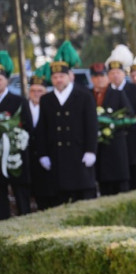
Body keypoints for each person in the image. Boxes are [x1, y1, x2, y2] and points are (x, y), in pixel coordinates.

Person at [38, 41, 98, 204]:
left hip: (79, 154)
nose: (58, 80)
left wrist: (91, 150)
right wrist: (43, 154)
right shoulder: (46, 100)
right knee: (60, 198)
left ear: (69, 76)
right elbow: (42, 129)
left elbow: (91, 125)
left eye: (61, 76)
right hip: (56, 157)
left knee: (82, 198)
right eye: (55, 77)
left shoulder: (84, 96)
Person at [111, 49, 136, 190]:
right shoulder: (108, 92)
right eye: (112, 73)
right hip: (117, 143)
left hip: (135, 140)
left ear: (123, 74)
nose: (115, 76)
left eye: (118, 73)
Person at [90, 61, 133, 196]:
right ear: (92, 79)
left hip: (116, 146)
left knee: (121, 187)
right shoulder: (87, 95)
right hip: (98, 148)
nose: (100, 79)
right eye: (96, 77)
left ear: (107, 78)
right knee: (103, 186)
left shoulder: (117, 94)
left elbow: (129, 116)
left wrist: (110, 122)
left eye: (102, 76)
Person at [0, 50, 31, 217]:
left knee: (21, 197)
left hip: (16, 158)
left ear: (6, 80)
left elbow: (28, 128)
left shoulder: (18, 101)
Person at [25, 71, 55, 210]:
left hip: (49, 159)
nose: (36, 94)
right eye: (33, 91)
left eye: (40, 91)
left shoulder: (51, 106)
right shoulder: (23, 107)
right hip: (30, 160)